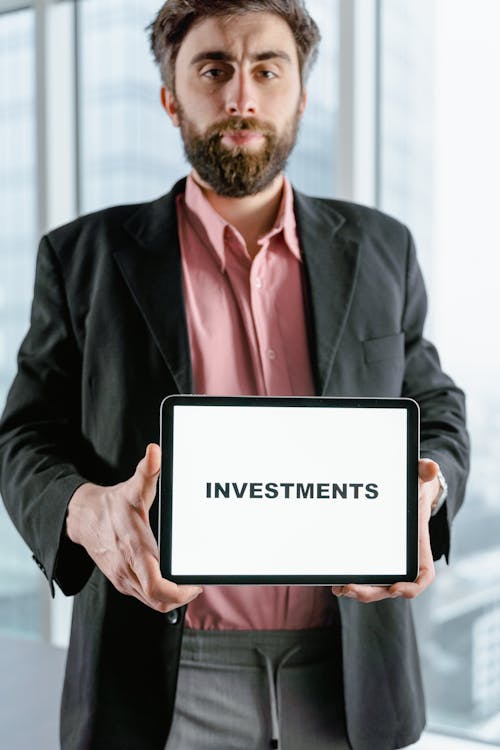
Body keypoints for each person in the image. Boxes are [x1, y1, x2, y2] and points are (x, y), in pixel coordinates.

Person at [0, 1, 469, 749]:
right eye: (213, 69)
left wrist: (430, 485)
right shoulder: (80, 256)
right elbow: (25, 434)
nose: (240, 96)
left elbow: (435, 402)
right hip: (159, 678)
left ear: (300, 95)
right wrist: (83, 509)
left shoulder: (384, 247)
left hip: (349, 676)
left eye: (266, 69)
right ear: (170, 97)